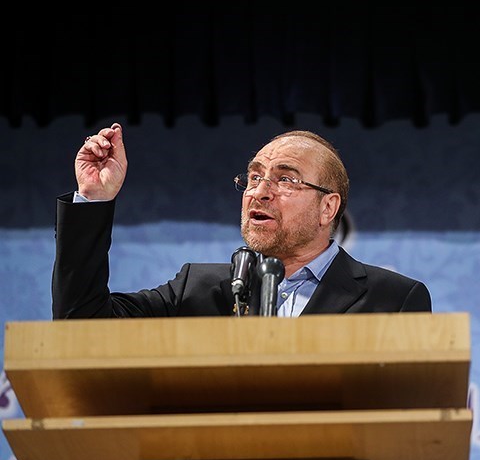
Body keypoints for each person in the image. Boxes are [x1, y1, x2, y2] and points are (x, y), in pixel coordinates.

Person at [52, 123, 432, 319]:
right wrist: (94, 199)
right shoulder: (197, 290)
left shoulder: (393, 299)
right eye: (253, 177)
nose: (259, 192)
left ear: (327, 208)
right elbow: (83, 324)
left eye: (285, 179)